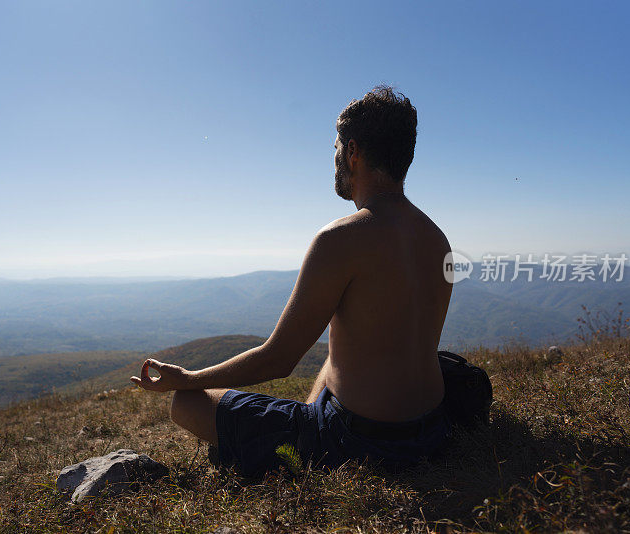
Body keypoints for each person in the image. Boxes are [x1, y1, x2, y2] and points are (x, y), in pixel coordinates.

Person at [132, 86, 453, 476]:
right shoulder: (439, 240)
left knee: (186, 404)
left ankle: (298, 449)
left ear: (353, 153)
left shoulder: (339, 239)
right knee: (337, 350)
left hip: (362, 441)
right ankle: (305, 424)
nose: (333, 157)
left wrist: (187, 378)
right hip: (433, 428)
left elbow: (279, 359)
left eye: (336, 147)